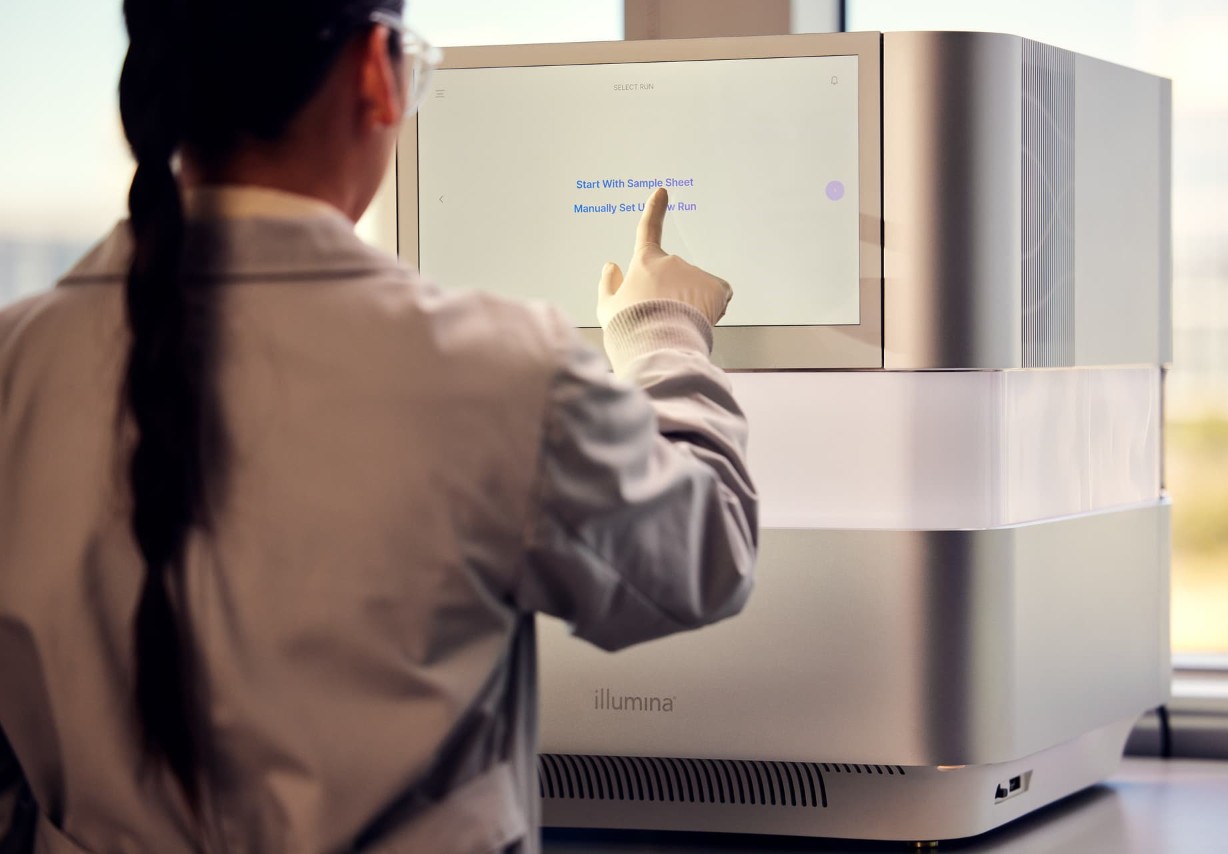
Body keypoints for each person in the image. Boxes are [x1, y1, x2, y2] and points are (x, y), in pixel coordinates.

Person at [0, 0, 757, 851]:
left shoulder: (15, 363)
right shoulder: (495, 367)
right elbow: (707, 556)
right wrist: (661, 329)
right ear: (374, 73)